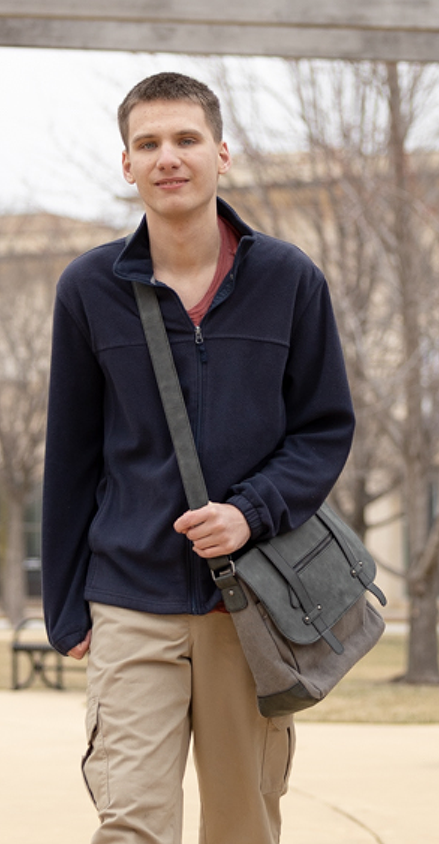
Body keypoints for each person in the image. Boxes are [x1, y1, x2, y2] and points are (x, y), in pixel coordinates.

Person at [41, 71, 355, 844]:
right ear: (127, 165)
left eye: (185, 139)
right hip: (128, 596)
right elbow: (71, 455)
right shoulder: (88, 289)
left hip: (248, 607)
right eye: (147, 144)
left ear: (222, 154)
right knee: (130, 822)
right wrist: (65, 603)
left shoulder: (290, 280)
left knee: (241, 825)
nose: (167, 157)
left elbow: (323, 429)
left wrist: (250, 514)